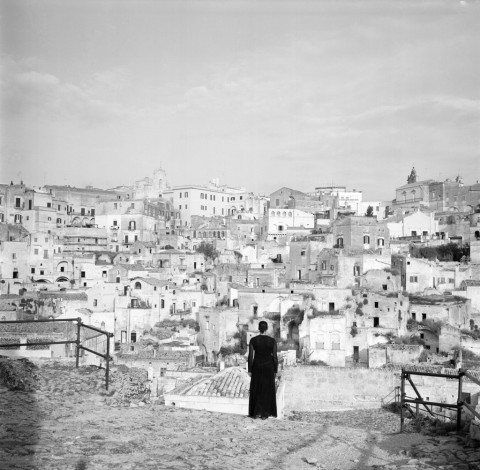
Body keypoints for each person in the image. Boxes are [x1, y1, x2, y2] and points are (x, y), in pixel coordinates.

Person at [248, 321, 278, 419]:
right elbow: (275, 357)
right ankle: (265, 414)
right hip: (268, 367)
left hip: (257, 366)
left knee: (256, 389)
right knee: (267, 390)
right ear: (266, 328)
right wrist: (275, 370)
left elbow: (250, 356)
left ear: (258, 328)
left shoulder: (253, 340)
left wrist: (250, 370)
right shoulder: (272, 341)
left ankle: (256, 413)